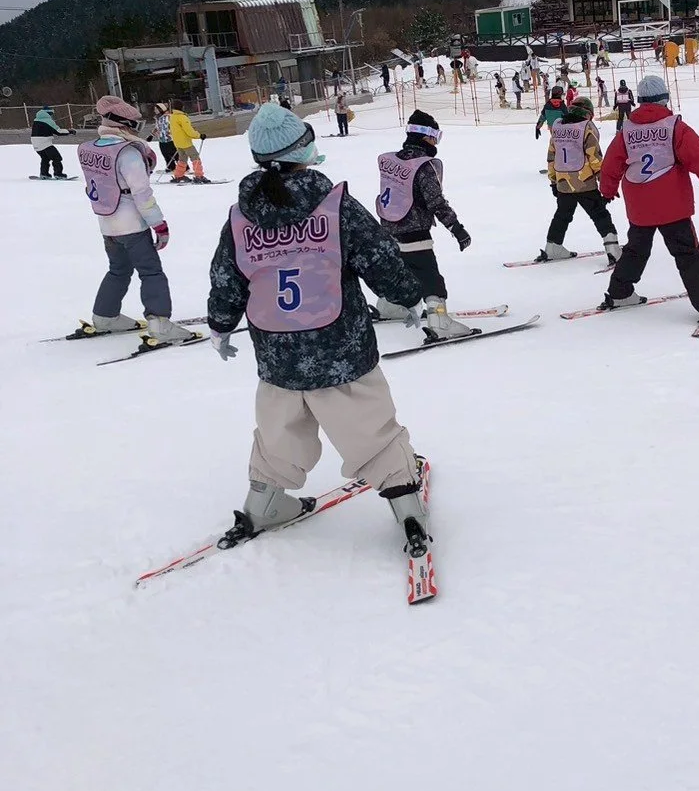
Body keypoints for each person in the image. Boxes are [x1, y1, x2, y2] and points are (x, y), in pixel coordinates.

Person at [204, 103, 432, 556]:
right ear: (303, 149)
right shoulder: (334, 206)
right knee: (369, 428)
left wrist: (220, 324)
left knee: (279, 431)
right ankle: (406, 505)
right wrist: (408, 297)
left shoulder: (241, 216)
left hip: (277, 355)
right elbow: (379, 256)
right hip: (340, 349)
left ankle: (264, 500)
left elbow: (227, 277)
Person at [598, 75, 699, 320]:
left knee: (635, 249)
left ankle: (620, 292)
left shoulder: (627, 130)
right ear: (665, 99)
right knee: (687, 253)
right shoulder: (675, 127)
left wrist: (608, 190)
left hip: (639, 204)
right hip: (672, 204)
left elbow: (611, 163)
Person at [77, 95, 193, 342]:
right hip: (131, 223)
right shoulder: (127, 153)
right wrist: (159, 225)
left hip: (107, 223)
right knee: (151, 272)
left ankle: (104, 315)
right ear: (123, 123)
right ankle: (160, 323)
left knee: (118, 269)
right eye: (134, 124)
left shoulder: (90, 149)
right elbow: (141, 193)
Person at [372, 110, 474, 339]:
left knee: (400, 269)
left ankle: (389, 305)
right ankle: (439, 321)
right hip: (413, 230)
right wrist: (456, 228)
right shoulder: (422, 165)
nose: (436, 141)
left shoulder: (393, 160)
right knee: (429, 276)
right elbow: (436, 202)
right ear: (425, 135)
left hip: (389, 227)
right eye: (434, 135)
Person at [540, 96, 621, 265]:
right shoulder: (586, 129)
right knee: (600, 214)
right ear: (587, 114)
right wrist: (605, 183)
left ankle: (553, 245)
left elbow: (551, 157)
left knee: (562, 215)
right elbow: (595, 158)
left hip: (563, 182)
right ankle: (612, 249)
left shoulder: (558, 128)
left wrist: (553, 181)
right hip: (585, 182)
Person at [168, 101, 207, 182]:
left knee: (182, 159)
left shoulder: (172, 117)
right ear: (182, 107)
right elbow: (189, 131)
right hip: (185, 142)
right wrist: (199, 135)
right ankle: (199, 176)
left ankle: (178, 175)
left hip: (178, 143)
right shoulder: (182, 117)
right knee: (195, 157)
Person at [30, 105, 72, 178]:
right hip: (45, 143)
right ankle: (58, 174)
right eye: (51, 114)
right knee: (57, 158)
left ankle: (44, 173)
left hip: (35, 144)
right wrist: (69, 131)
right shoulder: (48, 120)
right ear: (48, 113)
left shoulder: (36, 120)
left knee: (45, 158)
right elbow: (58, 132)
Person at [153, 103, 177, 170]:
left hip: (170, 138)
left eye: (156, 109)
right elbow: (156, 128)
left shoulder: (169, 116)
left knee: (174, 153)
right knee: (165, 154)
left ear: (160, 109)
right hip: (161, 139)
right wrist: (151, 135)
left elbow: (173, 125)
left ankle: (184, 167)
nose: (154, 111)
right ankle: (171, 167)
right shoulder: (157, 118)